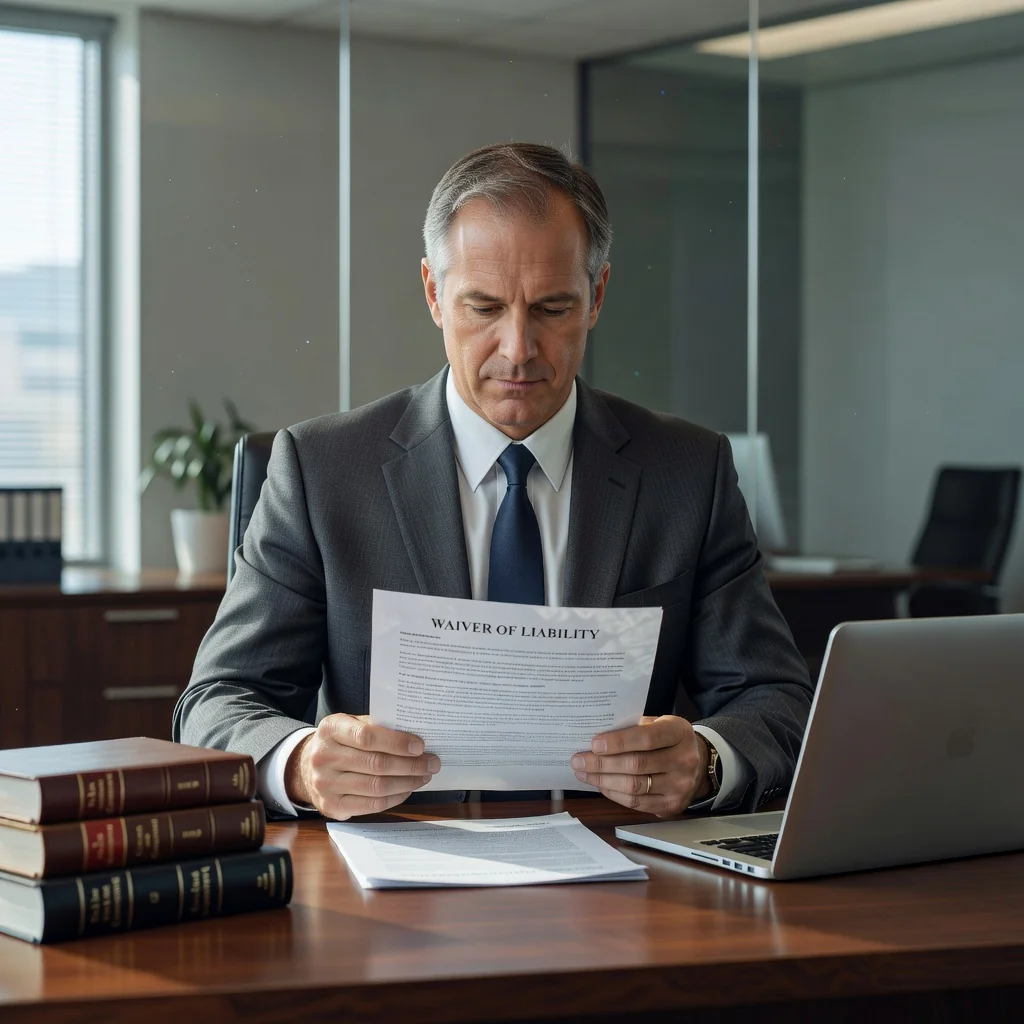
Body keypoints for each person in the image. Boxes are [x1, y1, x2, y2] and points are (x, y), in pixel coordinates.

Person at [173, 143, 812, 822]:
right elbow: (215, 703)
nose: (517, 349)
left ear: (595, 297)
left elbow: (778, 702)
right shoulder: (323, 470)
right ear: (433, 294)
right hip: (395, 880)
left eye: (551, 309)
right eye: (483, 308)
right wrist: (301, 764)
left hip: (622, 879)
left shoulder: (687, 473)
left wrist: (708, 758)